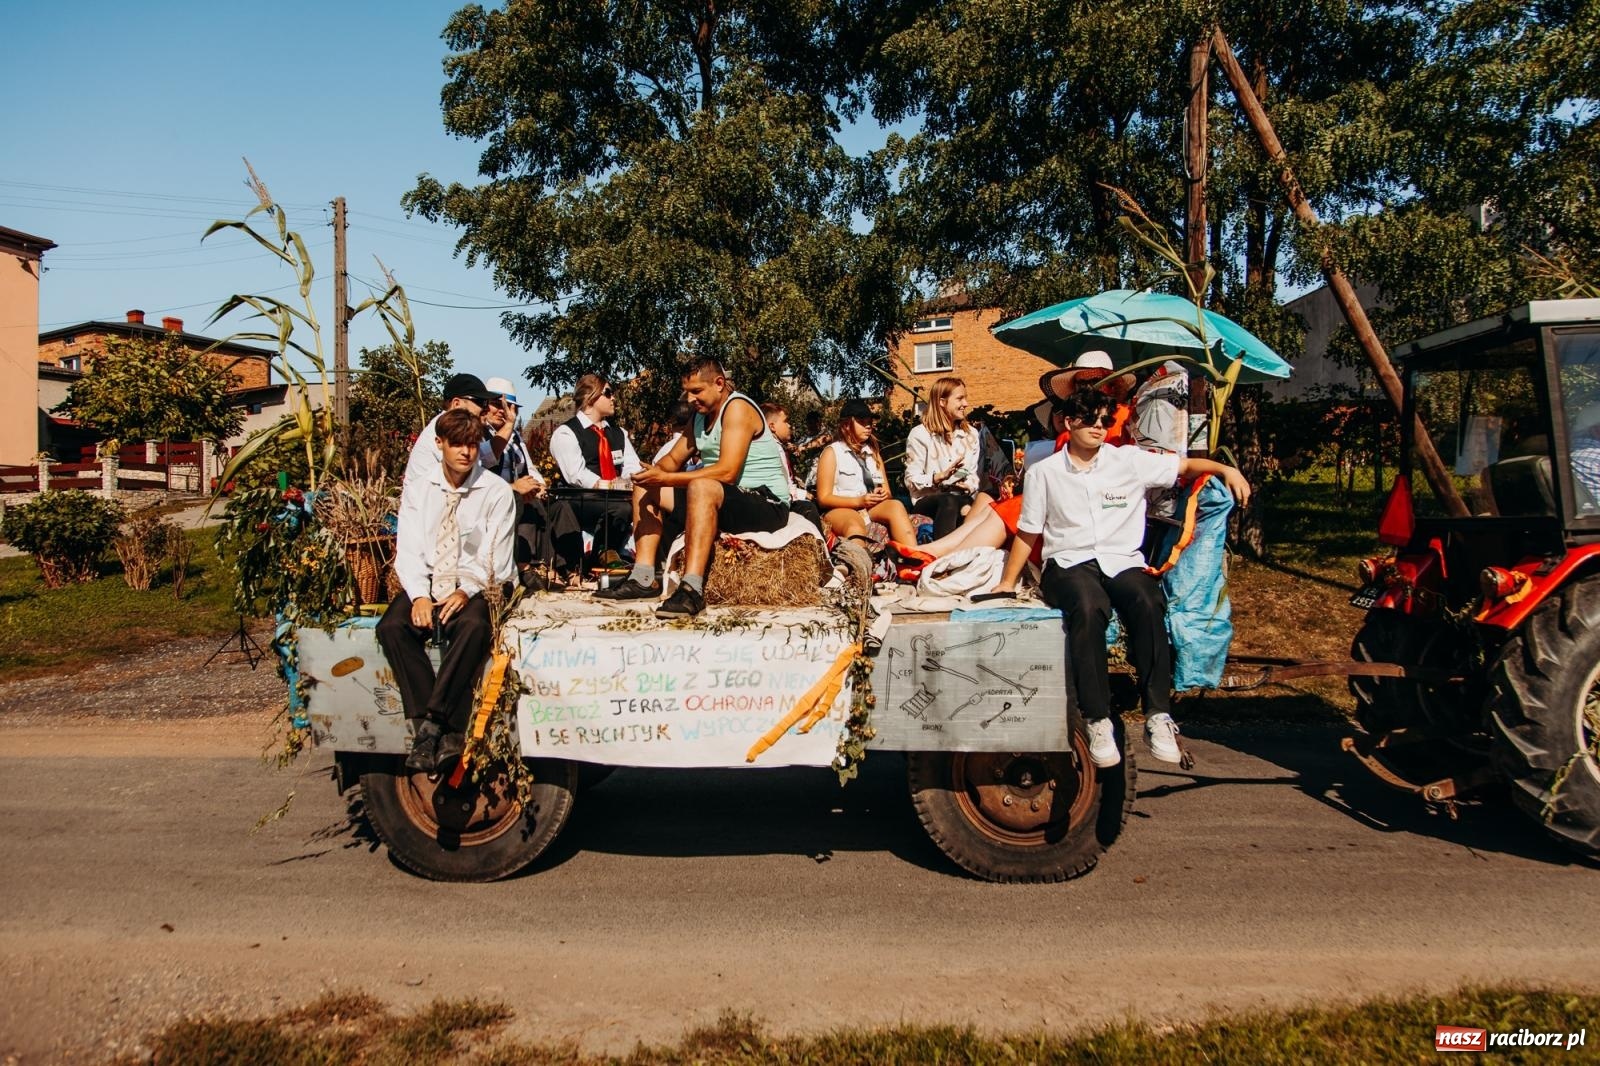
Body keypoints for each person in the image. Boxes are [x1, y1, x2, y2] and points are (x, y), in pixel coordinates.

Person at [1011, 389, 1250, 770]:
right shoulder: (1045, 472)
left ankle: (1158, 715)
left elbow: (1184, 467)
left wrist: (1226, 469)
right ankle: (1097, 718)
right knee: (1088, 607)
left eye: (1105, 420)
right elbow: (1028, 532)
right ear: (1069, 422)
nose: (1099, 428)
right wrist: (1006, 586)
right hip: (1069, 562)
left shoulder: (1129, 461)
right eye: (1090, 419)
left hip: (1121, 559)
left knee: (1148, 600)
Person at [596, 357, 793, 618]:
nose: (690, 399)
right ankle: (643, 577)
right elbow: (673, 459)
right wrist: (652, 473)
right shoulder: (700, 417)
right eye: (688, 392)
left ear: (719, 384)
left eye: (697, 391)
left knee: (701, 486)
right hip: (722, 498)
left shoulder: (737, 409)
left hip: (765, 502)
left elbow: (727, 472)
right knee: (646, 487)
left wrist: (666, 478)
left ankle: (692, 589)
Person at [378, 408, 518, 775]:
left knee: (473, 627)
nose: (465, 453)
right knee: (392, 627)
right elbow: (408, 548)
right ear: (439, 444)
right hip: (429, 577)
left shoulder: (496, 491)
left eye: (472, 444)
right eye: (456, 444)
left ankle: (434, 726)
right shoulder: (419, 489)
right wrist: (419, 595)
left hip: (477, 581)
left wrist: (465, 590)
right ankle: (439, 726)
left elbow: (496, 557)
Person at [481, 376, 582, 589]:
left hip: (525, 491)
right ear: (485, 405)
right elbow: (480, 469)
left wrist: (539, 485)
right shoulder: (479, 434)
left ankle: (571, 569)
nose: (503, 411)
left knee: (560, 507)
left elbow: (530, 466)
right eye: (498, 405)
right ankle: (533, 568)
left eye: (509, 407)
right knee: (526, 505)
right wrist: (513, 488)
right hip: (495, 497)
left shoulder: (515, 437)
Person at [548, 373, 643, 560]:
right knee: (621, 509)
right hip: (582, 498)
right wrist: (608, 485)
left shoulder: (618, 433)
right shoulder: (566, 433)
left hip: (616, 497)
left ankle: (647, 562)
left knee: (643, 503)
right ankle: (600, 553)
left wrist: (626, 481)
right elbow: (575, 474)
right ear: (590, 396)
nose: (613, 397)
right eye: (608, 393)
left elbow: (632, 466)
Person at [815, 398, 917, 548]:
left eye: (869, 421)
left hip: (870, 507)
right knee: (854, 525)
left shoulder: (873, 453)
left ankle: (913, 558)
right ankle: (859, 567)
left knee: (896, 505)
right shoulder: (832, 452)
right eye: (862, 421)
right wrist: (859, 501)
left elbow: (888, 492)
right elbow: (823, 498)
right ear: (846, 425)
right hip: (840, 509)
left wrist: (881, 494)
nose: (868, 426)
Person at [903, 376, 995, 538]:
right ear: (942, 402)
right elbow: (911, 480)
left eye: (965, 398)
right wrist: (937, 478)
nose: (965, 404)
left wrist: (968, 485)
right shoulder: (920, 434)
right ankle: (943, 557)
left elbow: (973, 475)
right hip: (929, 500)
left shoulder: (971, 434)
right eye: (960, 398)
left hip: (961, 497)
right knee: (949, 501)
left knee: (981, 500)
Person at [403, 372, 497, 496]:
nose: (486, 409)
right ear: (456, 403)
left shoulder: (457, 430)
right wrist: (511, 488)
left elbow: (487, 456)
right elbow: (465, 482)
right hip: (429, 507)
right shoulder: (443, 430)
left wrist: (509, 423)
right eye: (480, 402)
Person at [761, 401, 824, 532]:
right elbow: (781, 486)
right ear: (772, 426)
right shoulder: (774, 449)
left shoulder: (775, 445)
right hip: (781, 501)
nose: (790, 425)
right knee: (810, 509)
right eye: (786, 421)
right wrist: (803, 494)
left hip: (792, 491)